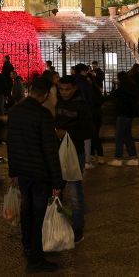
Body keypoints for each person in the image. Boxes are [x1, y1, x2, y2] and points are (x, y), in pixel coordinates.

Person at [7, 78, 64, 273]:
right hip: (40, 172)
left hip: (22, 171)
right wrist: (57, 181)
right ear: (45, 94)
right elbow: (50, 150)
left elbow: (11, 144)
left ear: (30, 90)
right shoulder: (43, 114)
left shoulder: (14, 111)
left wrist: (13, 172)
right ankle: (36, 259)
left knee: (27, 209)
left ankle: (27, 244)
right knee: (39, 214)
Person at [55, 76, 93, 242]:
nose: (64, 92)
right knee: (57, 190)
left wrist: (66, 133)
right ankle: (59, 224)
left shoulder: (82, 106)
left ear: (74, 88)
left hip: (75, 152)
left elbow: (88, 131)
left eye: (67, 89)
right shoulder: (59, 103)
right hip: (59, 151)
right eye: (61, 89)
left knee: (75, 191)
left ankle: (78, 228)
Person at [108, 72, 139, 166]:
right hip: (130, 115)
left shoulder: (122, 89)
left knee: (119, 137)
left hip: (122, 114)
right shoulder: (132, 87)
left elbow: (112, 95)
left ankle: (118, 158)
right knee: (127, 136)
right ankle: (133, 157)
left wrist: (114, 85)